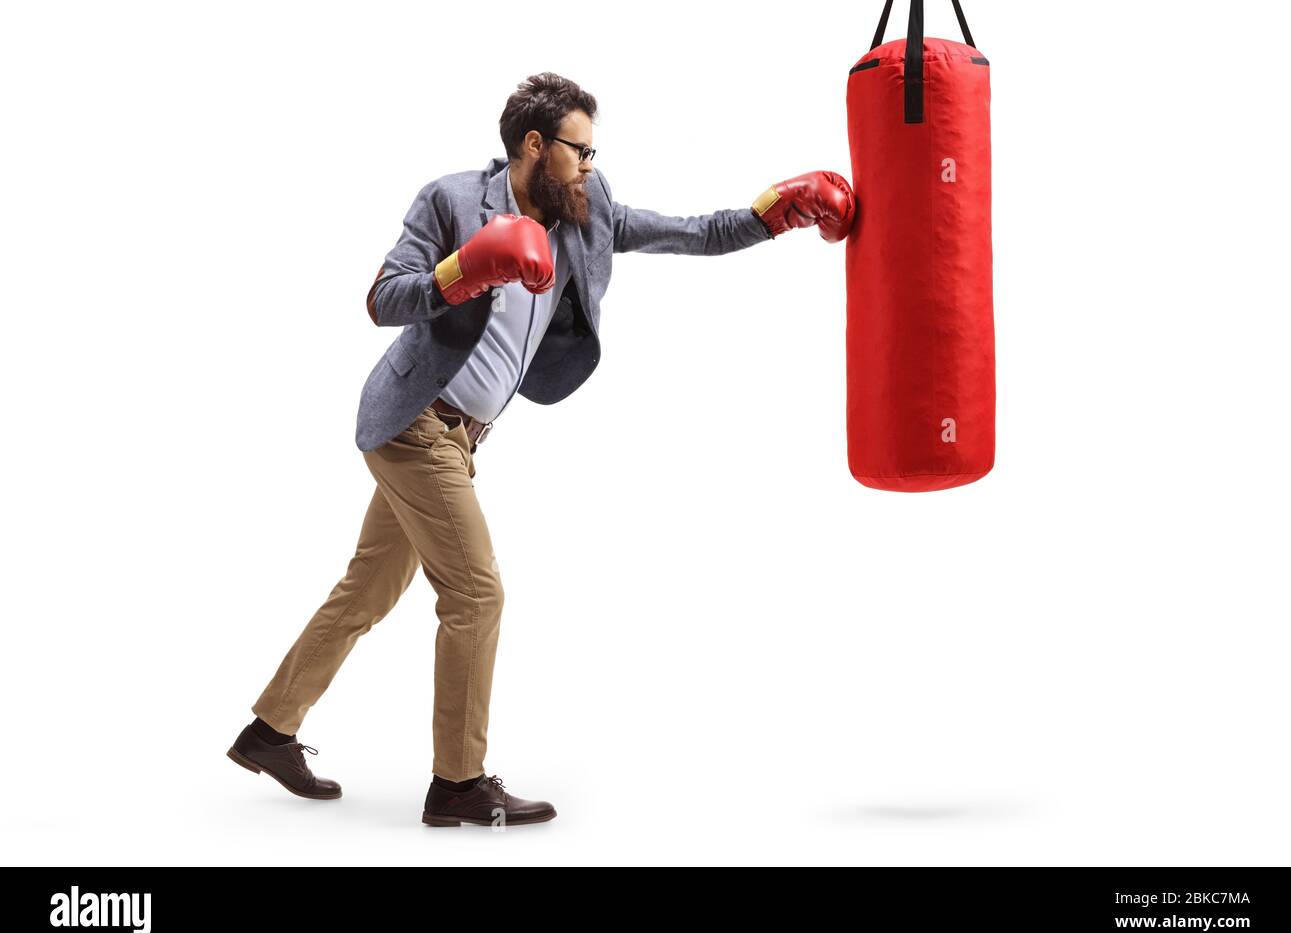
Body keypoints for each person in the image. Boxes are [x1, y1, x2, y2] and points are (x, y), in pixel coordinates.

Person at [227, 71, 855, 827]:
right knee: (477, 593)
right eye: (579, 150)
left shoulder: (587, 212)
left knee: (368, 590)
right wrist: (467, 267)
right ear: (535, 145)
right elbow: (383, 298)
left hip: (463, 439)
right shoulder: (453, 200)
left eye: (593, 152)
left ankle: (269, 731)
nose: (590, 165)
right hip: (412, 422)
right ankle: (457, 783)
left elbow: (692, 231)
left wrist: (772, 213)